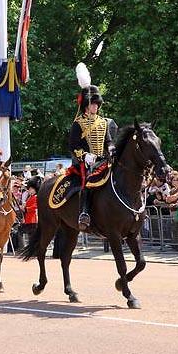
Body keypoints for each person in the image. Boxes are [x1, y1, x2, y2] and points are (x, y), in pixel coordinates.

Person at [69, 64, 112, 231]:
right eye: (93, 104)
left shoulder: (103, 122)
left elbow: (108, 140)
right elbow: (73, 145)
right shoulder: (78, 123)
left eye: (97, 104)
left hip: (103, 159)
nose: (96, 107)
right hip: (86, 162)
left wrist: (112, 147)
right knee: (88, 180)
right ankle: (85, 213)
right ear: (86, 105)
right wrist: (84, 155)